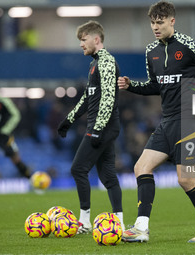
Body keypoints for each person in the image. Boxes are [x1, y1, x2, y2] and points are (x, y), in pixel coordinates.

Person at [118, 1, 195, 243]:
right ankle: (141, 228)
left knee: (185, 179)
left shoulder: (190, 44)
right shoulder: (151, 52)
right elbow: (156, 86)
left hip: (190, 120)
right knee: (141, 167)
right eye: (152, 23)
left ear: (172, 21)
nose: (155, 27)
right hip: (167, 121)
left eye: (160, 22)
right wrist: (131, 85)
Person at [57, 20, 124, 234]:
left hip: (102, 126)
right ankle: (119, 223)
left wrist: (97, 128)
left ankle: (84, 222)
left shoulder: (105, 61)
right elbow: (89, 97)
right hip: (105, 125)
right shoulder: (94, 63)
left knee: (78, 169)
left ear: (96, 39)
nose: (80, 44)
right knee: (108, 176)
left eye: (83, 39)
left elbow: (108, 97)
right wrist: (69, 120)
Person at [0, 74, 31, 196]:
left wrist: (6, 129)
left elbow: (15, 115)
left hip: (2, 135)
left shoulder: (2, 101)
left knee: (15, 158)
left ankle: (30, 179)